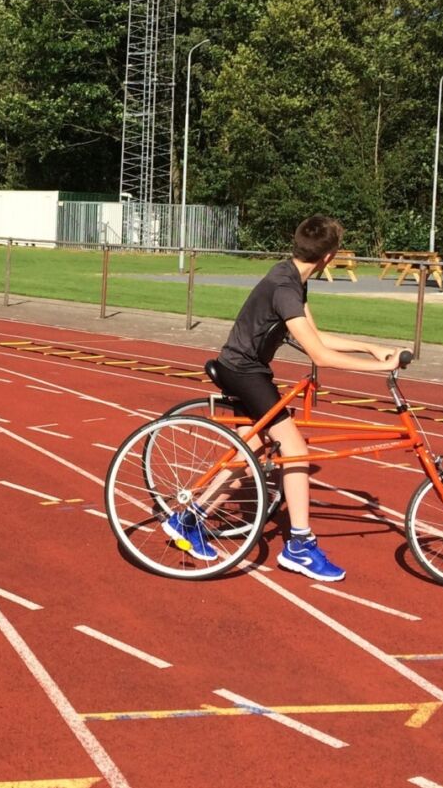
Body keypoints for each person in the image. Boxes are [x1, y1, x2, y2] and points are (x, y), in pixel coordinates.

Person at [169, 215, 403, 581]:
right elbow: (320, 355)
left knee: (256, 449)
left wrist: (369, 347)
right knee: (295, 450)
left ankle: (188, 519)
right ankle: (299, 544)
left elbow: (315, 336)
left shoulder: (291, 277)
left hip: (247, 367)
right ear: (330, 257)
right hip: (244, 371)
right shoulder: (285, 288)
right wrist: (379, 369)